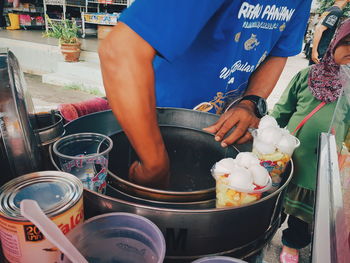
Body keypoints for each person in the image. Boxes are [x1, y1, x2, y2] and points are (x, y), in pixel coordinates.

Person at [99, 0, 312, 187]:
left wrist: (251, 101)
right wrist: (154, 164)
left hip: (220, 130)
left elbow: (279, 51)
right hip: (150, 128)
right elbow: (121, 50)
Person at [270, 19, 350, 263]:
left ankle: (292, 245)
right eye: (347, 42)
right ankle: (263, 233)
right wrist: (267, 134)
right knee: (274, 204)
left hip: (320, 167)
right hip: (288, 160)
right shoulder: (307, 76)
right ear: (334, 42)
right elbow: (281, 112)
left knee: (303, 217)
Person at [310, 0, 350, 65]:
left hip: (318, 49)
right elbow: (319, 29)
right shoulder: (336, 12)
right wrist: (314, 51)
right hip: (321, 51)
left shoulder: (329, 9)